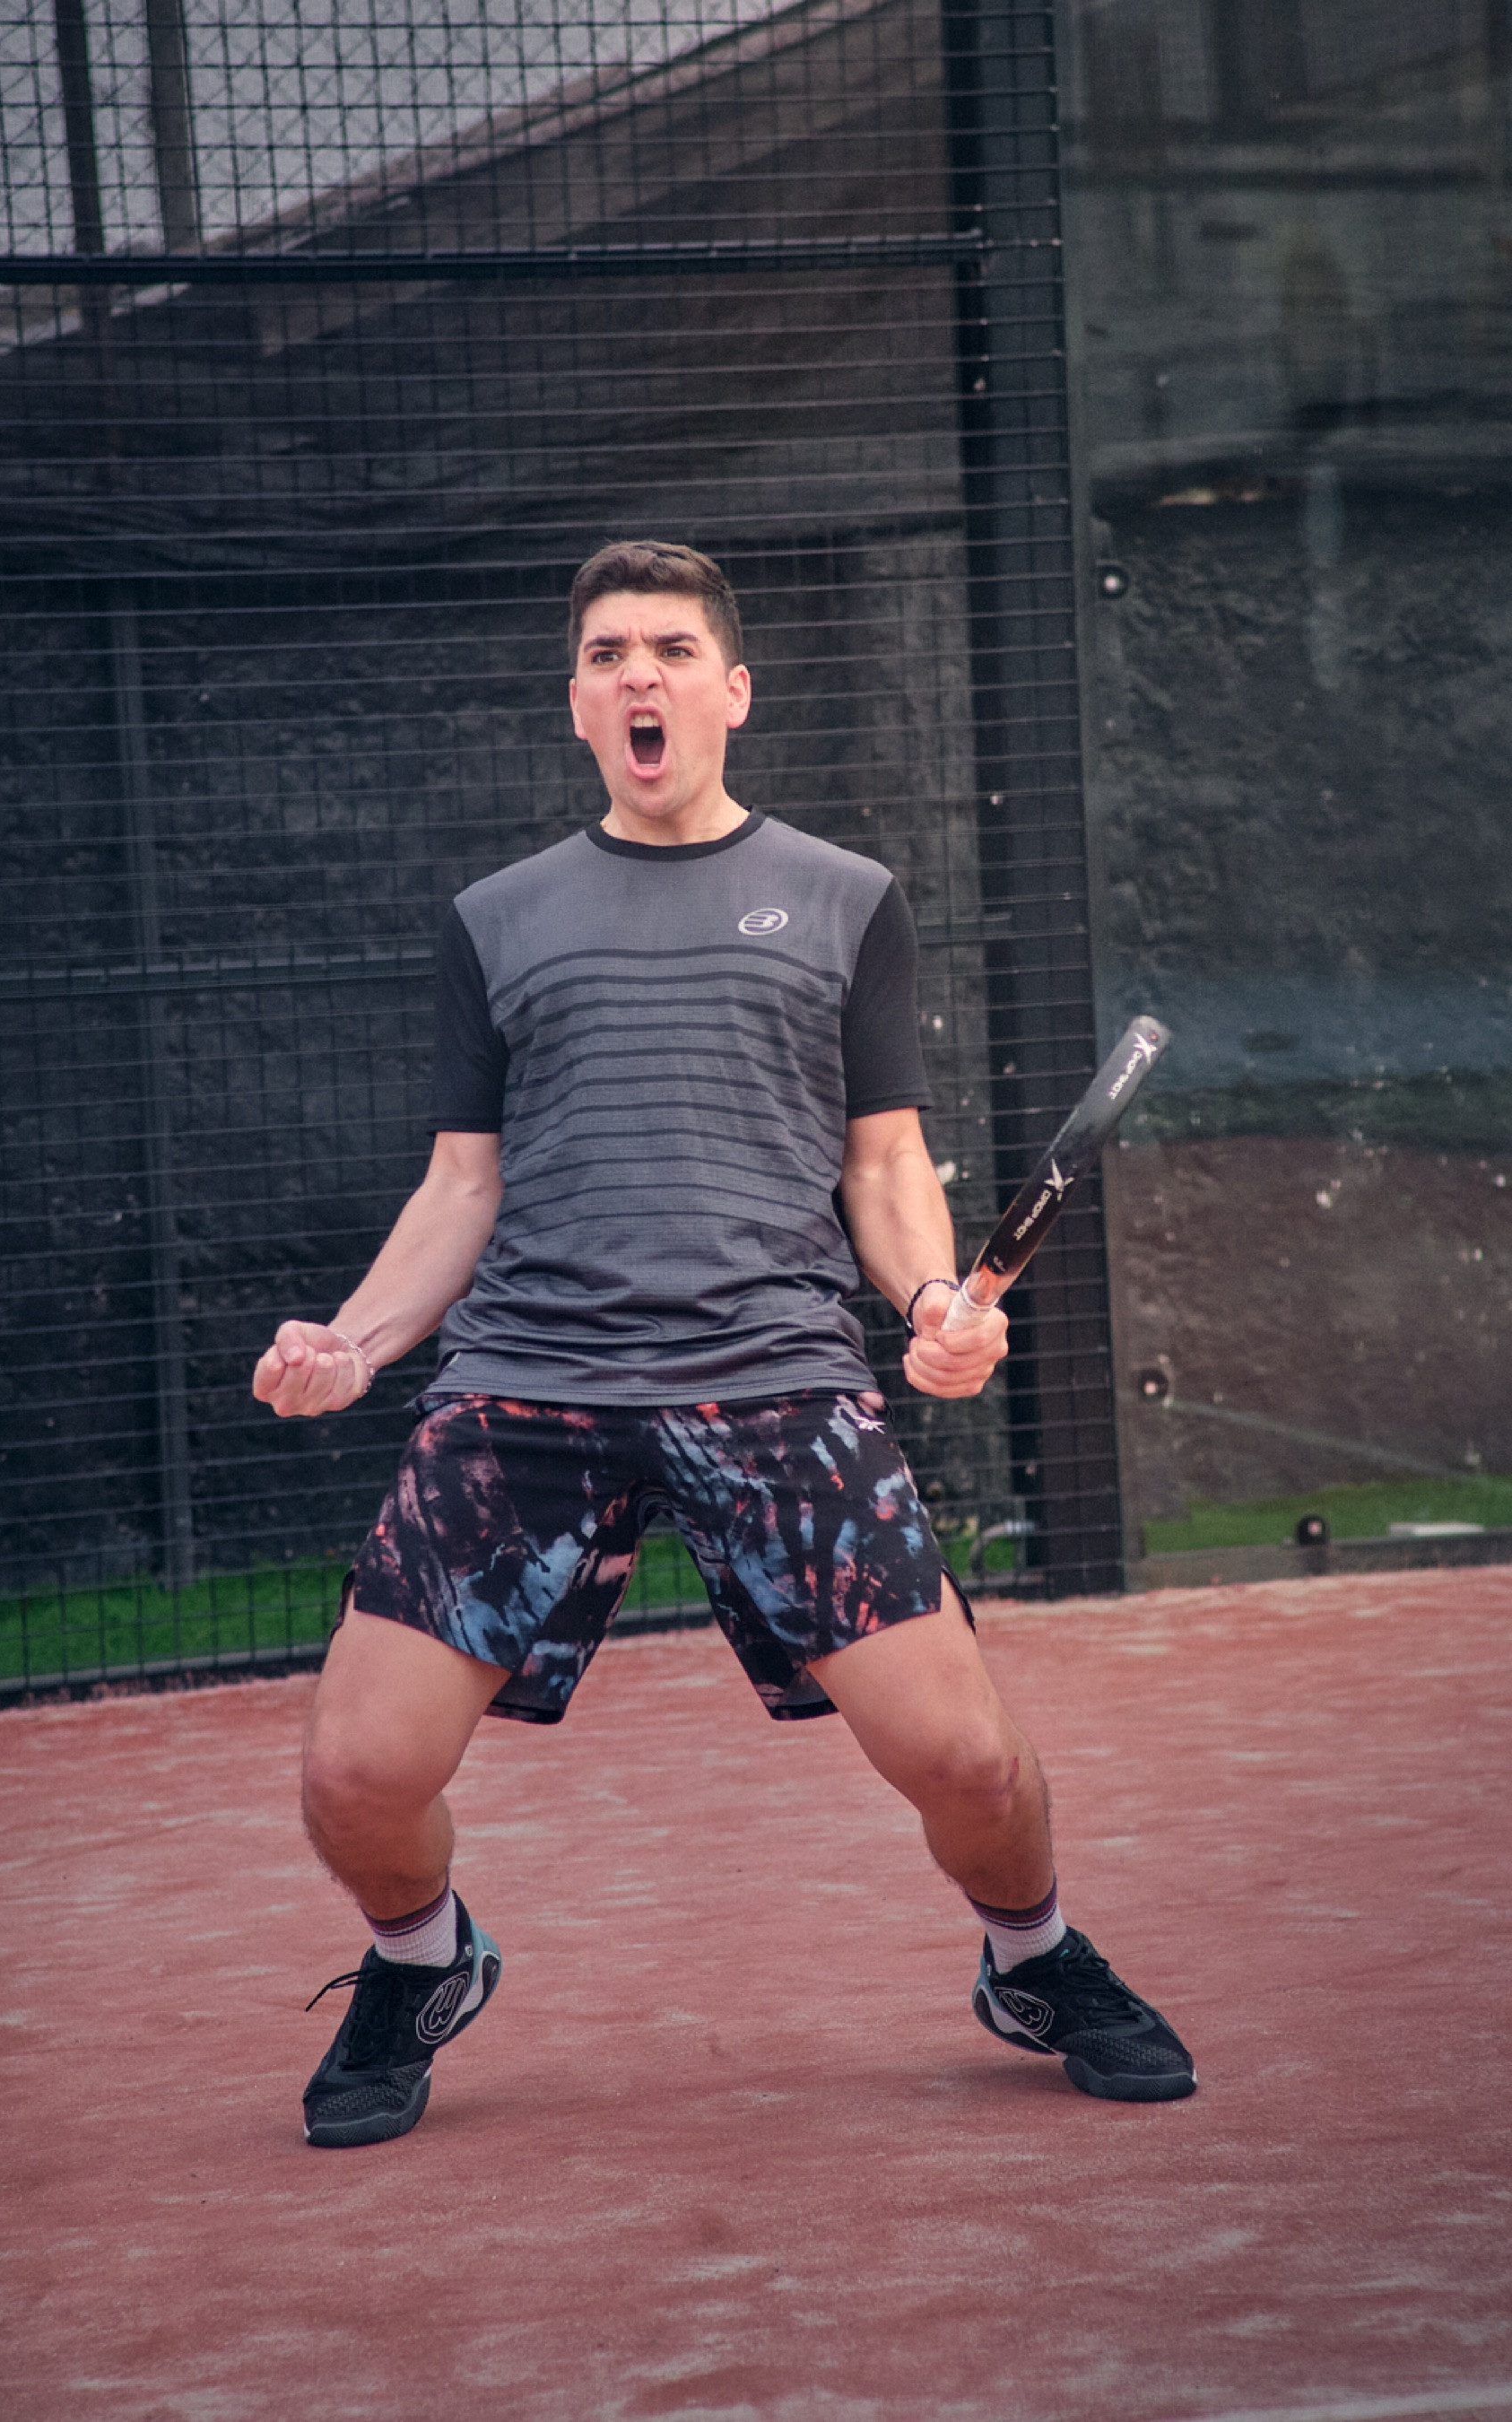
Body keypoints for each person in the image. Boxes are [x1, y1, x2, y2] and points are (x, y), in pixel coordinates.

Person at [253, 540, 1195, 2148]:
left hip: (775, 1381)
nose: (641, 675)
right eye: (609, 653)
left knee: (973, 1763)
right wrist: (354, 1340)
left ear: (734, 692)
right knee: (352, 1778)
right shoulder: (495, 919)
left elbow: (883, 1163)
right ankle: (422, 1962)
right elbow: (461, 1184)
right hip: (527, 1387)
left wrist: (930, 1304)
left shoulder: (848, 900)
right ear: (576, 704)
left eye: (674, 650)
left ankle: (1033, 1958)